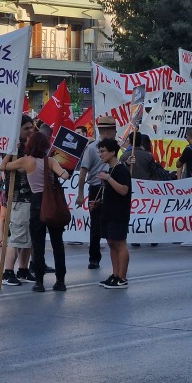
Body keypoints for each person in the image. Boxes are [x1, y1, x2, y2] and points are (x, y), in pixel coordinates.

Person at [3, 131, 68, 292]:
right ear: (46, 146)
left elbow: (3, 166)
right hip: (52, 202)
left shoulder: (26, 161)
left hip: (37, 202)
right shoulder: (51, 161)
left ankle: (39, 282)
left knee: (37, 244)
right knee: (57, 243)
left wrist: (10, 151)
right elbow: (65, 175)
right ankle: (60, 281)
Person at [76, 115, 117, 269]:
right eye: (113, 130)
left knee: (113, 223)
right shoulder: (92, 149)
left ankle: (115, 255)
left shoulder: (116, 147)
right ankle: (94, 258)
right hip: (97, 189)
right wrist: (80, 194)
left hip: (112, 188)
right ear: (106, 131)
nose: (115, 132)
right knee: (96, 225)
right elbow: (83, 172)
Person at [0, 118, 35, 286]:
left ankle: (23, 269)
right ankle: (8, 272)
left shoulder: (30, 148)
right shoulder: (12, 149)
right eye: (26, 128)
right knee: (17, 237)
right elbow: (4, 166)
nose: (30, 130)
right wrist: (14, 150)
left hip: (31, 198)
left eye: (31, 128)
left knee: (28, 238)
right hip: (18, 199)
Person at [96, 138, 133, 289]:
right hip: (108, 212)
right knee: (111, 243)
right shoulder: (110, 170)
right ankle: (115, 274)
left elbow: (124, 190)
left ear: (112, 152)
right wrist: (98, 202)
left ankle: (122, 278)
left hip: (119, 213)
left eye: (103, 151)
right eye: (99, 151)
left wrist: (109, 179)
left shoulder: (121, 170)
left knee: (120, 243)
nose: (100, 154)